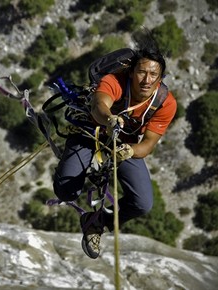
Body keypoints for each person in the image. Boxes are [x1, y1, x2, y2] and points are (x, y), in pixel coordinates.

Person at [53, 29, 177, 259]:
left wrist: (130, 150)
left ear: (160, 78)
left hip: (123, 145)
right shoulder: (115, 81)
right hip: (91, 132)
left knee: (142, 203)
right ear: (131, 72)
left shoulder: (165, 103)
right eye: (141, 72)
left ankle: (96, 222)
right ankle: (67, 171)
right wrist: (110, 119)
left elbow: (148, 144)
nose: (146, 80)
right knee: (66, 191)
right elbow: (100, 105)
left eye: (153, 75)